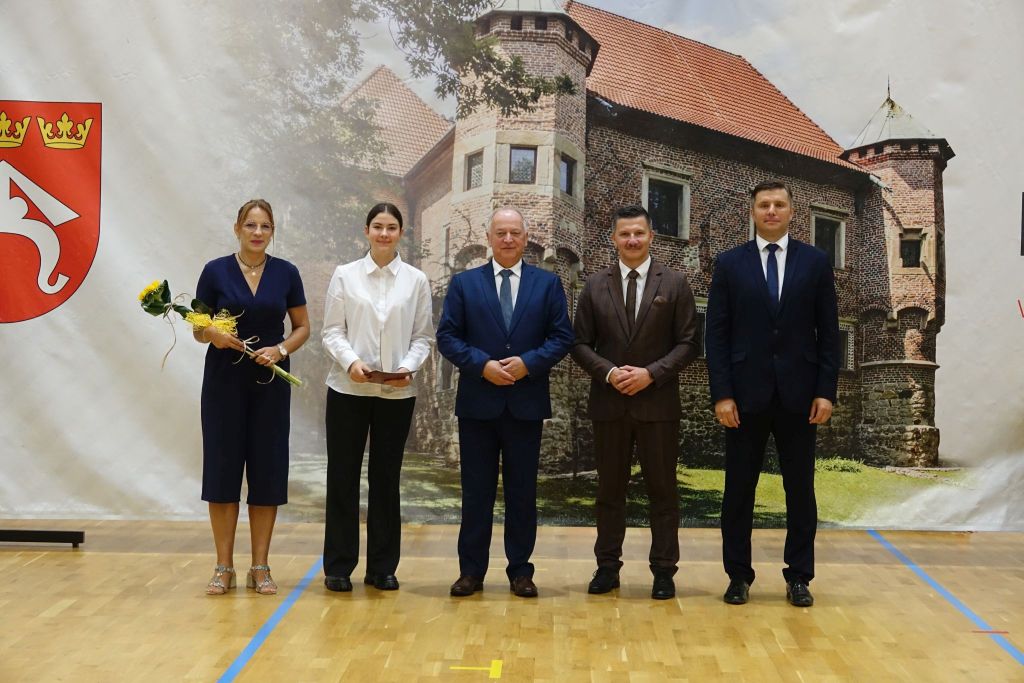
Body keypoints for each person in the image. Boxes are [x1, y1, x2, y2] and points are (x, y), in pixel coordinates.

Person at [705, 180, 839, 607]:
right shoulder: (730, 264)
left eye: (779, 204)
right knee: (738, 492)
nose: (771, 211)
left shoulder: (815, 262)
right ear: (752, 212)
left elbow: (829, 332)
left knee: (800, 492)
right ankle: (737, 575)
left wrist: (826, 391)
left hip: (800, 396)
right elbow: (716, 334)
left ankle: (799, 576)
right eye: (764, 205)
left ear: (792, 212)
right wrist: (722, 394)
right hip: (744, 397)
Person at [436, 207, 573, 598]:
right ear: (489, 238)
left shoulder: (547, 284)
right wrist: (483, 366)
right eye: (501, 233)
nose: (508, 239)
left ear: (526, 238)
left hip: (525, 404)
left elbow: (562, 337)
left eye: (515, 232)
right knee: (475, 493)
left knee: (522, 494)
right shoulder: (464, 284)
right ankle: (471, 572)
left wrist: (528, 363)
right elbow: (448, 337)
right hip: (478, 404)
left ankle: (521, 572)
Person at [571, 204, 699, 600]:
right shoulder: (595, 285)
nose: (632, 240)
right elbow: (578, 343)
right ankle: (607, 568)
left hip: (658, 405)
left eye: (638, 233)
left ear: (651, 237)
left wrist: (651, 374)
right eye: (624, 234)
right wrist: (610, 373)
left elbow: (689, 343)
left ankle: (663, 572)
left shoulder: (675, 283)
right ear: (614, 238)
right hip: (609, 405)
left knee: (663, 493)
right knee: (609, 493)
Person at [195, 198, 310, 596]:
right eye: (250, 225)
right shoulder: (214, 271)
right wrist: (212, 334)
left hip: (270, 385)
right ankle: (223, 566)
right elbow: (198, 328)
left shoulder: (287, 273)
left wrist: (281, 350)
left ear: (272, 231)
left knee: (267, 472)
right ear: (237, 228)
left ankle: (260, 566)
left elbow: (303, 327)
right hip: (223, 384)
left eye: (265, 226)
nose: (257, 232)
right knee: (223, 472)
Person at [321, 203, 434, 593]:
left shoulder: (416, 280)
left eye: (391, 227)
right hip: (348, 389)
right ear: (366, 231)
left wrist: (407, 367)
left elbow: (423, 336)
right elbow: (332, 332)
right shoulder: (345, 275)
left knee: (386, 479)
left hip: (396, 392)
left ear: (401, 233)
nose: (384, 234)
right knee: (343, 476)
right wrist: (351, 362)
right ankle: (339, 566)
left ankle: (382, 567)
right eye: (378, 226)